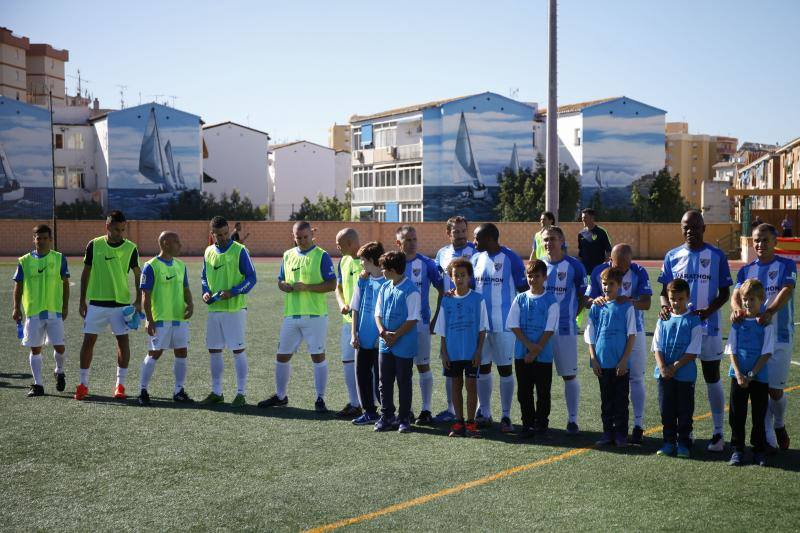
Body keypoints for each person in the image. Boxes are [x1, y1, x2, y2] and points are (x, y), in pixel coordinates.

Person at [659, 210, 732, 452]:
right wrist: (665, 308)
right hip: (680, 332)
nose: (690, 231)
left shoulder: (717, 255)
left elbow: (725, 293)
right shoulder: (672, 256)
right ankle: (681, 435)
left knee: (712, 378)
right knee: (680, 382)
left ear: (704, 228)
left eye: (695, 226)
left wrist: (708, 311)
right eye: (685, 227)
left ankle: (718, 433)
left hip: (708, 329)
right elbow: (663, 292)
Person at [730, 223, 796, 452]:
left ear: (775, 242)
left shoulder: (786, 265)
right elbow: (736, 296)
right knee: (759, 389)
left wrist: (769, 312)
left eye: (765, 240)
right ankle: (766, 440)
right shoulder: (746, 270)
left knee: (775, 391)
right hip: (753, 341)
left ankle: (779, 424)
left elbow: (787, 290)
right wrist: (737, 309)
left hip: (780, 336)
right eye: (757, 240)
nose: (760, 244)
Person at [259, 221, 336, 412]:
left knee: (317, 356)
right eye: (298, 237)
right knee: (282, 356)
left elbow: (332, 284)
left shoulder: (322, 255)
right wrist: (283, 285)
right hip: (291, 315)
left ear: (312, 235)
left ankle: (320, 398)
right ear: (293, 236)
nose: (301, 240)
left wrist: (308, 287)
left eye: (305, 237)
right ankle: (281, 396)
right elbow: (280, 280)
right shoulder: (287, 255)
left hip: (315, 315)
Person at [585, 243, 652, 444]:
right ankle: (609, 431)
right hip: (606, 341)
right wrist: (595, 300)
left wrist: (627, 302)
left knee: (636, 378)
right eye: (618, 264)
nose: (623, 269)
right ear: (610, 260)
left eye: (626, 265)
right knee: (607, 395)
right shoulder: (600, 271)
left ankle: (637, 425)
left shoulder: (639, 271)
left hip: (634, 332)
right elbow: (587, 300)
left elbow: (647, 303)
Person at [74, 210, 141, 401]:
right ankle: (83, 384)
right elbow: (85, 272)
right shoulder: (94, 245)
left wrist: (137, 300)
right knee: (88, 342)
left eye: (122, 229)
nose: (120, 233)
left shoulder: (131, 248)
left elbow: (138, 274)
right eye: (116, 229)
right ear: (107, 226)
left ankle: (120, 385)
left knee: (123, 342)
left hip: (121, 305)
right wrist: (81, 300)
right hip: (96, 304)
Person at [470, 223, 527, 432]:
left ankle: (506, 416)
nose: (474, 242)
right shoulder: (475, 259)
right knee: (482, 367)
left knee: (504, 369)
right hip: (481, 326)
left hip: (504, 324)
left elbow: (523, 290)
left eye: (477, 238)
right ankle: (484, 412)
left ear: (490, 238)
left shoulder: (511, 258)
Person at [200, 216, 257, 407]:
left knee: (238, 350)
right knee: (214, 350)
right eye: (219, 235)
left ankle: (241, 393)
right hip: (214, 310)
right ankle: (217, 392)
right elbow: (204, 278)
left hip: (234, 310)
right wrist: (205, 293)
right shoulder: (208, 252)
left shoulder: (240, 250)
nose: (224, 237)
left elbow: (251, 278)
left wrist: (232, 292)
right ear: (212, 234)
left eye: (226, 233)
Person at [137, 231, 195, 405]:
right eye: (176, 241)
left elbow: (185, 288)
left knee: (182, 353)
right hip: (160, 320)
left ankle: (178, 391)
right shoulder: (151, 266)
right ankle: (143, 390)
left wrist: (190, 304)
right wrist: (149, 319)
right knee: (154, 353)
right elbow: (145, 295)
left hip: (179, 319)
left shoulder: (181, 265)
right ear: (165, 243)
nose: (180, 245)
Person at [12, 224, 69, 397]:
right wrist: (16, 307)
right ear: (34, 239)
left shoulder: (59, 258)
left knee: (59, 347)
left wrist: (65, 306)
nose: (42, 241)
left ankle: (59, 371)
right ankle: (38, 385)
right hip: (33, 312)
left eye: (45, 238)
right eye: (39, 238)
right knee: (35, 349)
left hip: (54, 311)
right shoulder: (24, 261)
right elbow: (18, 285)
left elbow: (65, 284)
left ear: (50, 240)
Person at [433, 258, 488, 438]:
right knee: (456, 386)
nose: (459, 279)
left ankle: (471, 424)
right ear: (451, 277)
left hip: (472, 352)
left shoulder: (478, 300)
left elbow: (482, 329)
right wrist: (444, 352)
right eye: (456, 275)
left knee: (471, 386)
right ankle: (459, 422)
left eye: (463, 275)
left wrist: (479, 350)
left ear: (470, 277)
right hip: (453, 351)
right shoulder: (446, 300)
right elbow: (442, 329)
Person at [541, 225, 588, 434]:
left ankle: (572, 419)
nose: (548, 243)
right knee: (541, 376)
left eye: (552, 239)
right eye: (545, 240)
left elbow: (582, 297)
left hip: (565, 329)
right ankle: (541, 420)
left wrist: (571, 316)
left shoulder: (575, 267)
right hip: (540, 332)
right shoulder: (538, 266)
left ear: (562, 241)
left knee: (569, 375)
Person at [396, 225, 443, 424]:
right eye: (407, 240)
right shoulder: (392, 263)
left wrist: (436, 319)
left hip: (421, 324)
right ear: (398, 243)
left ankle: (426, 409)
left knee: (423, 366)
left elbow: (443, 290)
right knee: (402, 369)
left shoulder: (427, 264)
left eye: (414, 239)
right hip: (397, 327)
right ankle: (406, 410)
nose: (412, 243)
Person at [584, 267, 637, 446]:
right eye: (604, 284)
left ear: (620, 285)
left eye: (611, 284)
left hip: (620, 364)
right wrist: (593, 358)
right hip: (602, 361)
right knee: (606, 401)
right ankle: (607, 434)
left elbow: (632, 335)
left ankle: (621, 435)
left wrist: (624, 360)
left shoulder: (626, 307)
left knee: (621, 401)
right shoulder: (596, 307)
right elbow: (590, 335)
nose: (607, 288)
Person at [507, 259, 559, 439]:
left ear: (545, 277)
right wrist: (529, 347)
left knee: (543, 391)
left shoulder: (551, 300)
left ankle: (541, 424)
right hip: (522, 354)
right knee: (524, 391)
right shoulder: (520, 298)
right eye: (530, 276)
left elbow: (549, 329)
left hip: (543, 356)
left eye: (537, 276)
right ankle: (527, 424)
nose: (533, 279)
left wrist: (536, 351)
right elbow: (513, 324)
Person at [652, 279, 703, 458]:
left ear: (687, 297)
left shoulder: (694, 321)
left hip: (684, 375)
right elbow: (656, 346)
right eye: (673, 299)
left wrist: (674, 366)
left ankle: (683, 443)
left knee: (684, 411)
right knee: (666, 410)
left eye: (680, 299)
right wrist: (662, 367)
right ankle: (668, 442)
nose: (676, 303)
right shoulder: (663, 319)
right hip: (664, 375)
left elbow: (693, 351)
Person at [432, 215, 476, 423]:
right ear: (448, 233)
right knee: (449, 363)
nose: (459, 235)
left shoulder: (475, 252)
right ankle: (451, 409)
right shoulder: (441, 254)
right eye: (455, 231)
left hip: (470, 314)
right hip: (449, 314)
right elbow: (438, 282)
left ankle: (480, 411)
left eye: (462, 231)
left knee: (474, 365)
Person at [726, 279, 774, 467]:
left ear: (761, 300)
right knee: (737, 414)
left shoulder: (765, 324)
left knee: (758, 414)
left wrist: (752, 374)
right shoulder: (737, 323)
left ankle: (759, 450)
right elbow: (732, 350)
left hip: (759, 377)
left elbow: (766, 352)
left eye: (752, 299)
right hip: (738, 377)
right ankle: (737, 450)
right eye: (745, 299)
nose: (747, 303)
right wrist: (738, 374)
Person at [374, 251, 421, 433]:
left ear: (392, 270)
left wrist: (396, 335)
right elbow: (377, 313)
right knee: (384, 382)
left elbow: (412, 319)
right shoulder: (384, 287)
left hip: (404, 344)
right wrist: (382, 332)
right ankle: (386, 416)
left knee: (403, 381)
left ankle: (404, 419)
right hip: (385, 344)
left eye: (384, 269)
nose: (382, 272)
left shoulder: (411, 291)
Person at [349, 241, 386, 426]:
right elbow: (355, 308)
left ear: (371, 260)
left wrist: (383, 335)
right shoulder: (362, 280)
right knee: (361, 374)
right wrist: (353, 333)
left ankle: (386, 411)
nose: (360, 264)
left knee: (382, 378)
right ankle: (369, 412)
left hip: (380, 340)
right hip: (362, 337)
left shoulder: (388, 282)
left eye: (362, 260)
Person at [334, 228, 363, 418]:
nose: (337, 247)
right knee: (347, 361)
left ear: (351, 243)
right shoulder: (343, 261)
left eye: (340, 244)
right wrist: (342, 303)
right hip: (347, 321)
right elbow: (338, 287)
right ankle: (354, 403)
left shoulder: (367, 261)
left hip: (365, 323)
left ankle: (371, 403)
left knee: (367, 365)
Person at [577, 208, 612, 276]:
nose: (583, 220)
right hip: (585, 271)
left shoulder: (602, 232)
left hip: (598, 271)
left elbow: (608, 250)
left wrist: (605, 266)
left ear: (592, 218)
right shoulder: (581, 233)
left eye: (585, 217)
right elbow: (580, 252)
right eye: (582, 218)